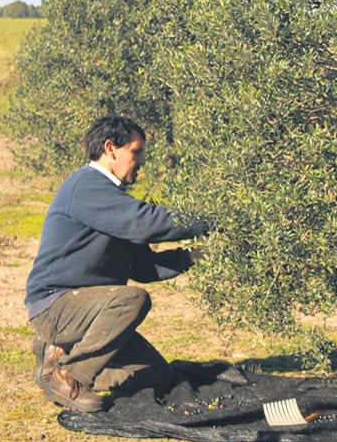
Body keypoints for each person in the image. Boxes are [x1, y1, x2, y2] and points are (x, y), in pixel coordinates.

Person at [24, 115, 213, 412]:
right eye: (136, 152)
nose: (141, 161)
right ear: (111, 148)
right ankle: (69, 376)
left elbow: (143, 269)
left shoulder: (112, 199)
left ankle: (58, 353)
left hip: (87, 311)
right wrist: (208, 221)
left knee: (157, 377)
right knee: (132, 299)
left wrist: (192, 257)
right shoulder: (88, 186)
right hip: (55, 307)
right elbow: (146, 223)